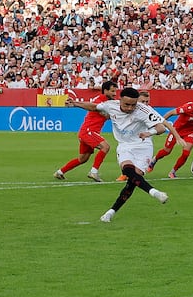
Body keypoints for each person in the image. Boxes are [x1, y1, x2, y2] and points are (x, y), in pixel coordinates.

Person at [68, 86, 171, 222]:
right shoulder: (111, 106)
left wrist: (149, 133)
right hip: (125, 146)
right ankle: (154, 192)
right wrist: (75, 103)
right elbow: (94, 107)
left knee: (132, 182)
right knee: (128, 171)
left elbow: (161, 128)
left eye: (133, 105)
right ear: (120, 100)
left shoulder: (143, 110)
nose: (129, 108)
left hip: (143, 146)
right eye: (126, 104)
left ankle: (110, 212)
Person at [54, 80, 118, 182]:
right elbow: (92, 107)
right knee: (105, 147)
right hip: (89, 131)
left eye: (115, 91)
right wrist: (75, 103)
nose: (115, 94)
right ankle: (94, 172)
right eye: (112, 91)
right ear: (105, 91)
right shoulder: (101, 100)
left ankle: (60, 172)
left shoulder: (107, 102)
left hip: (86, 132)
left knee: (83, 159)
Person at [151, 90, 193, 179]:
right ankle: (154, 160)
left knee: (186, 153)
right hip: (177, 130)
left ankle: (173, 172)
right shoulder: (188, 108)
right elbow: (171, 113)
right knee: (167, 151)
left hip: (190, 132)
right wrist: (159, 123)